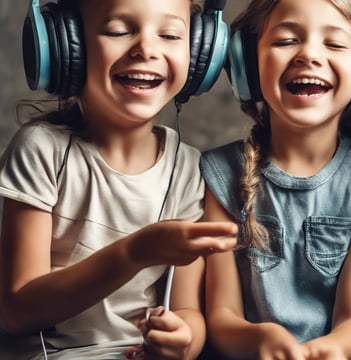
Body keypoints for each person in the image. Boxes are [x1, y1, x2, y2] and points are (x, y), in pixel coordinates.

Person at [0, 0, 237, 359]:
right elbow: (16, 312)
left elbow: (188, 310)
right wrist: (134, 253)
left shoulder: (187, 169)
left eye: (170, 35)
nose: (146, 48)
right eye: (118, 31)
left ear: (199, 54)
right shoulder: (40, 151)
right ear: (68, 45)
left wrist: (182, 341)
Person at [200, 0, 351, 358]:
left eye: (335, 44)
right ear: (248, 62)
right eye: (285, 41)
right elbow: (222, 317)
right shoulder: (220, 175)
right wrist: (258, 341)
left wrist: (328, 350)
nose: (308, 55)